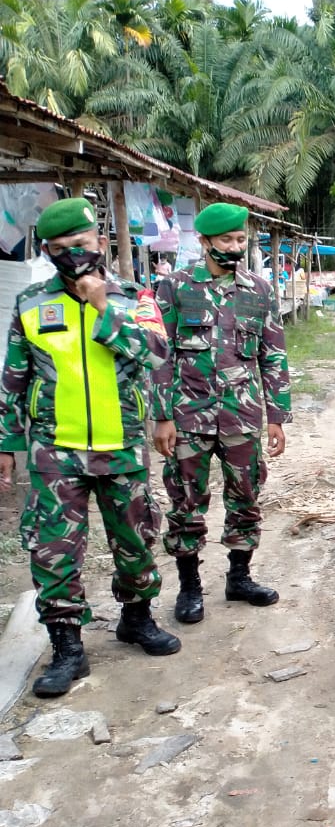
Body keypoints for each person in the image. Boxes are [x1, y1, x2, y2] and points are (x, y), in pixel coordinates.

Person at [0, 197, 180, 698]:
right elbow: (15, 377)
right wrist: (7, 443)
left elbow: (155, 354)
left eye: (78, 245)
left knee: (136, 539)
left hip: (120, 445)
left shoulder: (136, 298)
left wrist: (101, 307)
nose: (71, 256)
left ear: (99, 242)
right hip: (55, 450)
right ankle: (66, 648)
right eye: (58, 250)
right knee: (54, 552)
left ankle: (137, 619)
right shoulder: (32, 302)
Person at [151, 202, 291, 625]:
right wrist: (162, 416)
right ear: (205, 242)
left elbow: (274, 356)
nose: (235, 246)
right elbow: (161, 355)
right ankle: (190, 587)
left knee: (246, 497)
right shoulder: (174, 288)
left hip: (242, 416)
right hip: (188, 416)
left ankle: (239, 577)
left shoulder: (259, 290)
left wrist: (277, 416)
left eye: (240, 240)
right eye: (227, 240)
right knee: (186, 502)